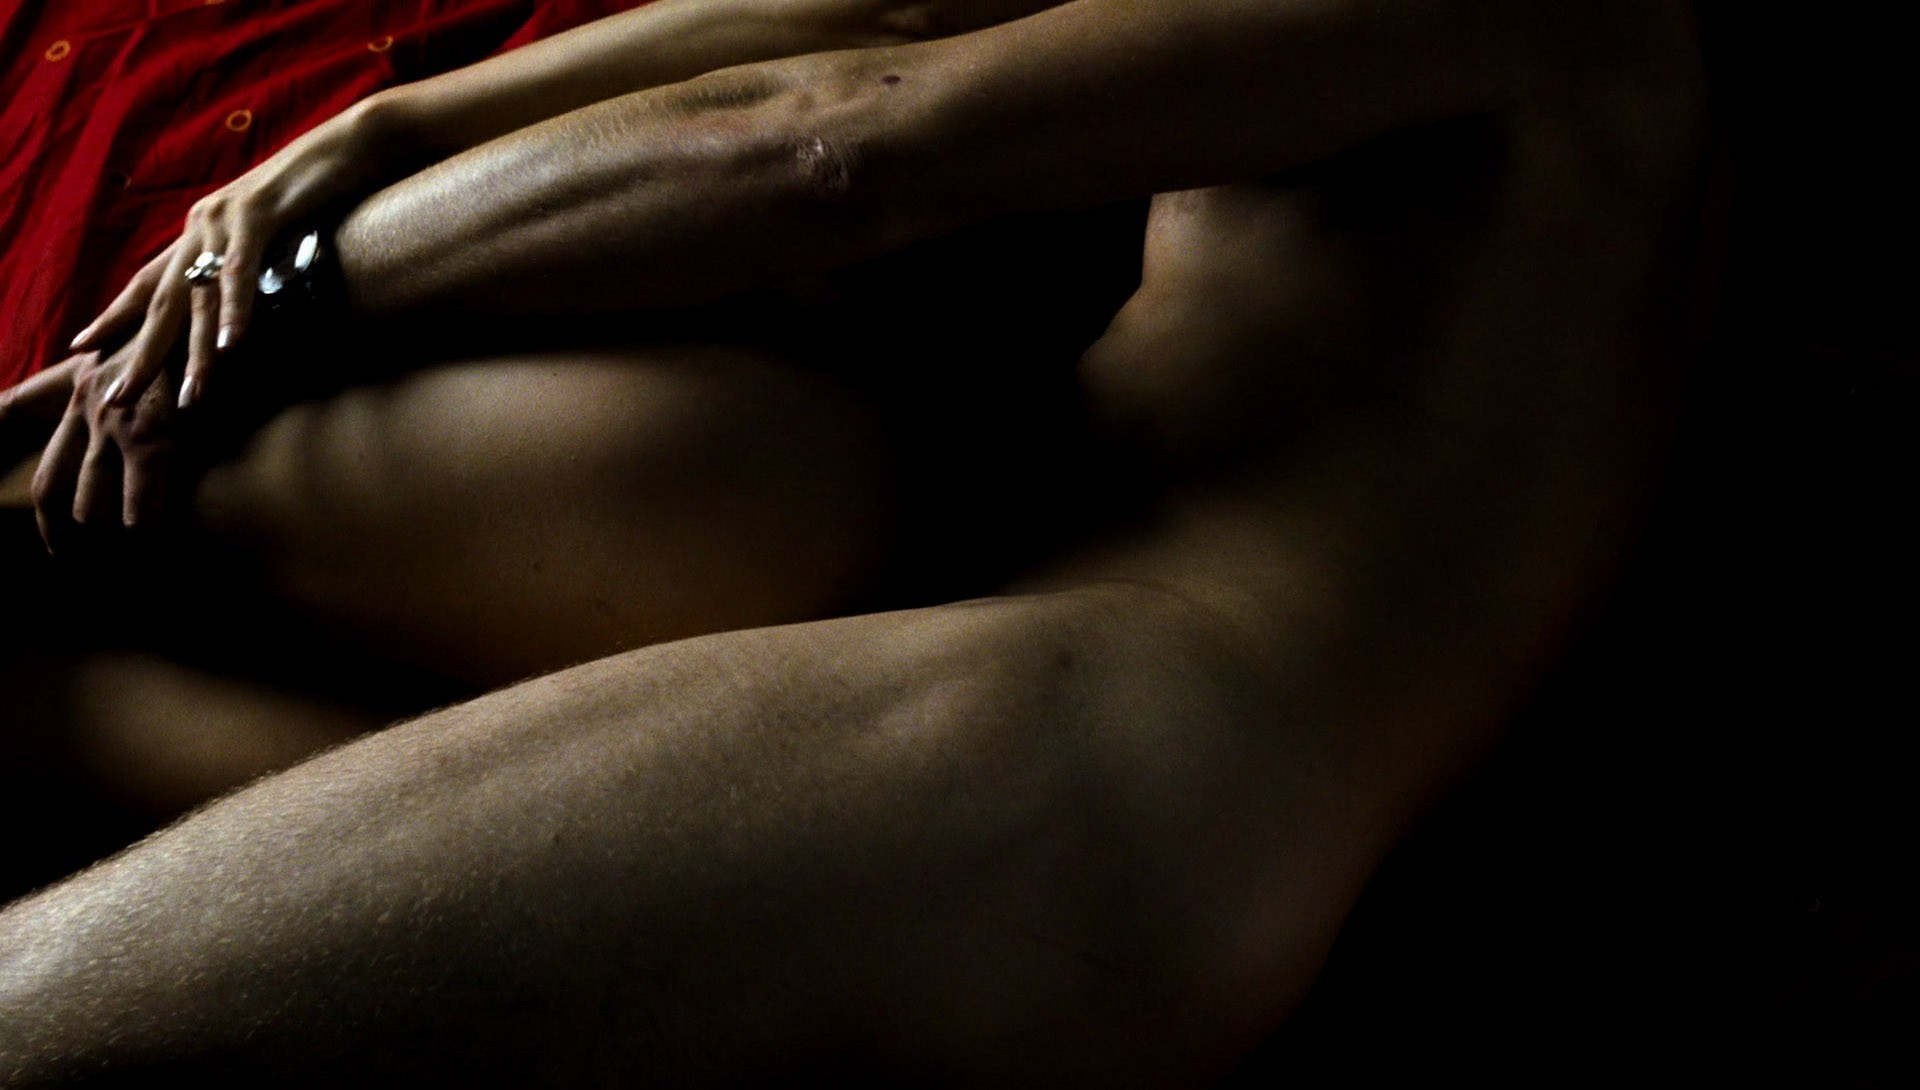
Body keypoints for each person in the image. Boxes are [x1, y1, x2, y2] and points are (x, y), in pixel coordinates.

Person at [0, 0, 1716, 1081]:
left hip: (1093, 735)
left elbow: (839, 141)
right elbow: (886, 10)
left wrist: (287, 299)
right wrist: (381, 131)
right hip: (1077, 726)